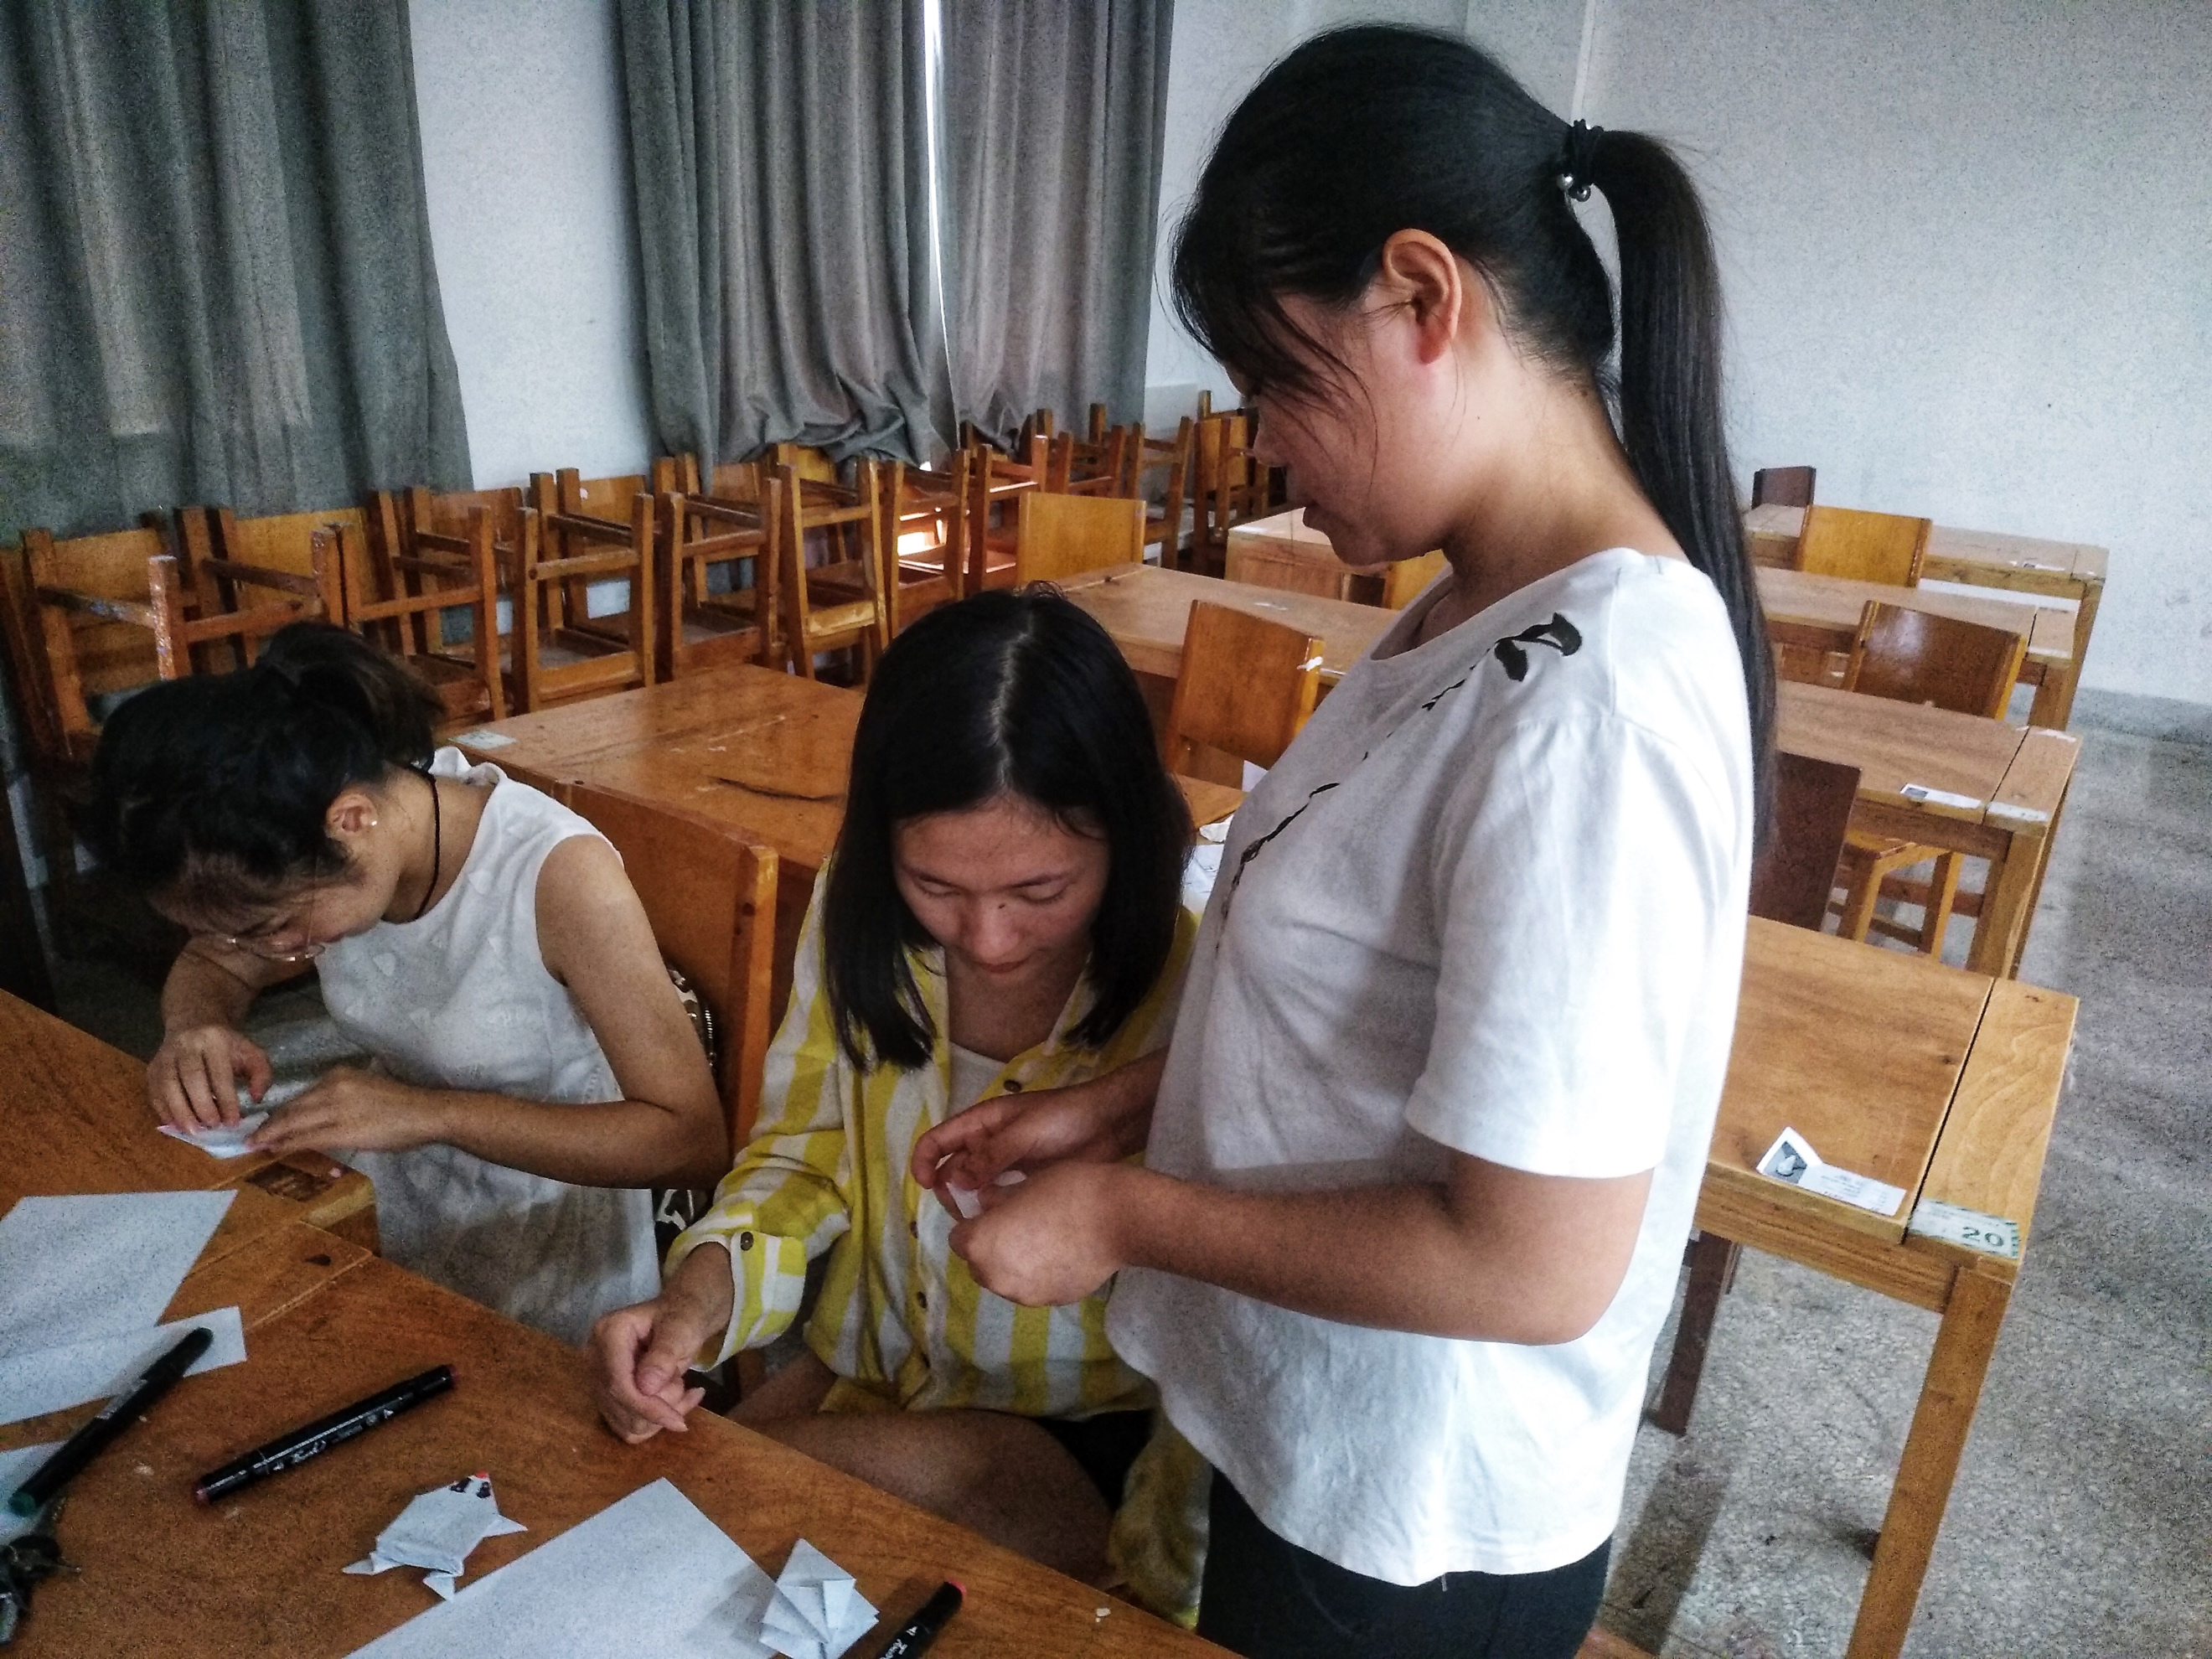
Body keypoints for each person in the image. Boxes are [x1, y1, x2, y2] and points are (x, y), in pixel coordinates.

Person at [915, 26, 1773, 1659]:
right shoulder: (1473, 612)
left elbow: (1530, 1264)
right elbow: (1366, 1036)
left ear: (1421, 297)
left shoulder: (1589, 701)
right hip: (1324, 1443)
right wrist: (1114, 1112)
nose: (1264, 444)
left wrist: (1124, 1216)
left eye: (1280, 383)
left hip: (1415, 1526)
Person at [587, 590, 1199, 1598]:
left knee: (689, 1523)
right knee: (648, 1533)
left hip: (1086, 1429)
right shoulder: (859, 906)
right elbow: (803, 1154)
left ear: (1125, 838)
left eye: (1040, 892)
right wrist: (692, 1305)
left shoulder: (1199, 969)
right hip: (878, 1379)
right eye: (937, 888)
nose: (988, 940)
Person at [80, 623, 726, 1346]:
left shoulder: (556, 877)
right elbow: (215, 962)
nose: (268, 951)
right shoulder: (350, 836)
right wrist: (193, 1025)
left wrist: (432, 1114)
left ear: (351, 821)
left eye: (277, 925)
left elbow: (690, 1142)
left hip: (548, 1232)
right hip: (396, 1181)